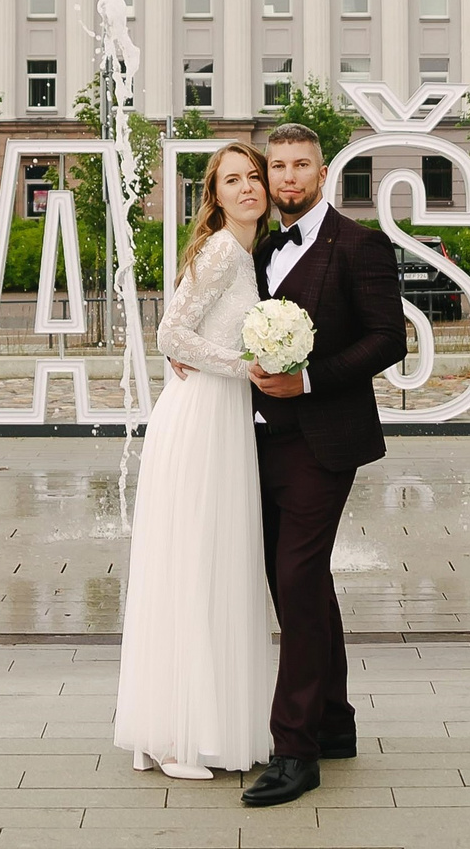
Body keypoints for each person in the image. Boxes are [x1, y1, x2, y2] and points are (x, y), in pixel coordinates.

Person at [240, 122, 408, 808]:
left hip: (322, 441)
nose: (286, 177)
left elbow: (386, 338)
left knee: (298, 577)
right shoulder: (252, 247)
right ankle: (334, 722)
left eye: (299, 164)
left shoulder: (359, 244)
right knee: (298, 586)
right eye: (276, 165)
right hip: (253, 441)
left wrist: (308, 381)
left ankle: (295, 749)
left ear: (322, 170)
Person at [113, 141, 278, 780]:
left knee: (211, 566)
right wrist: (246, 369)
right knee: (192, 565)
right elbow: (170, 335)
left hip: (224, 418)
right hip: (200, 417)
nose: (248, 188)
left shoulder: (246, 253)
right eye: (232, 180)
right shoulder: (218, 252)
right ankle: (175, 736)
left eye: (254, 177)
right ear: (215, 195)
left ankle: (189, 726)